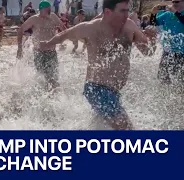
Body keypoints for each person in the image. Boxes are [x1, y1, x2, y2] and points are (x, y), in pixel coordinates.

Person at [39, 0, 157, 130]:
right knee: (126, 128)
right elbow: (63, 35)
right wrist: (46, 43)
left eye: (127, 10)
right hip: (96, 89)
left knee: (103, 127)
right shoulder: (89, 28)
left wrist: (153, 39)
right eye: (122, 11)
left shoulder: (130, 26)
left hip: (115, 92)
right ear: (107, 12)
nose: (126, 14)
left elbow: (148, 52)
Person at [17, 0, 65, 92]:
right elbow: (20, 31)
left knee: (53, 77)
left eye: (50, 10)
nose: (49, 12)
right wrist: (19, 49)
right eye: (47, 10)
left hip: (51, 52)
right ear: (41, 9)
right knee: (41, 77)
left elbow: (64, 29)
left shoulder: (53, 16)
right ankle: (43, 95)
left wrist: (62, 40)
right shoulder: (34, 19)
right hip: (39, 52)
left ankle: (53, 96)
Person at [150, 1, 184, 85]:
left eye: (176, 1)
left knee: (180, 81)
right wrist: (153, 14)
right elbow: (154, 23)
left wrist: (176, 13)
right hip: (168, 51)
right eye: (173, 1)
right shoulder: (168, 14)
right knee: (162, 78)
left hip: (182, 53)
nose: (174, 3)